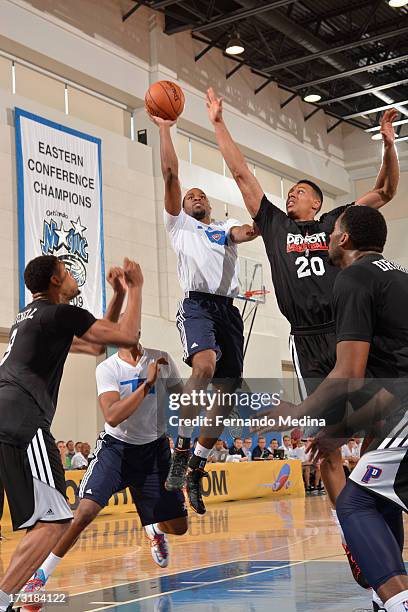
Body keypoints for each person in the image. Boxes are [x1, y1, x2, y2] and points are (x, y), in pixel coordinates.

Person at [207, 86, 399, 586]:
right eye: (288, 191)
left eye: (299, 191)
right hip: (307, 338)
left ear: (318, 201)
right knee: (323, 444)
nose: (291, 194)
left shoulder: (340, 223)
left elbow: (386, 191)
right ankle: (351, 529)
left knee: (379, 431)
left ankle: (380, 537)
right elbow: (243, 174)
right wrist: (219, 124)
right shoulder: (272, 224)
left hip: (349, 332)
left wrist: (389, 142)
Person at [274, 206, 408, 612]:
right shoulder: (400, 276)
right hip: (396, 406)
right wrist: (342, 431)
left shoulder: (353, 277)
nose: (327, 239)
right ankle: (385, 594)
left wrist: (297, 411)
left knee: (354, 502)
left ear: (345, 239)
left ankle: (397, 599)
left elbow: (349, 371)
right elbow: (390, 382)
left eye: (332, 233)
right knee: (378, 498)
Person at [0, 255, 143, 612]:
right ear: (54, 280)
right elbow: (126, 336)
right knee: (54, 522)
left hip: (5, 413)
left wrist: (118, 294)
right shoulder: (60, 313)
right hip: (22, 418)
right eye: (66, 272)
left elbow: (96, 345)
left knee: (47, 522)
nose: (72, 276)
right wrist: (136, 287)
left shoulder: (29, 318)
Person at [147, 111, 259, 515]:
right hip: (196, 304)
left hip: (229, 311)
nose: (195, 196)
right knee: (205, 368)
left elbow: (247, 231)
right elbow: (171, 174)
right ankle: (180, 445)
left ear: (210, 205)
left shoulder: (223, 227)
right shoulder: (178, 226)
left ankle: (195, 464)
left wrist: (264, 222)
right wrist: (164, 128)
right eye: (190, 194)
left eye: (201, 195)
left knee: (227, 396)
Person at [24, 329, 188, 596]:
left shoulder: (162, 359)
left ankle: (154, 527)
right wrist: (147, 384)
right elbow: (112, 416)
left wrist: (186, 442)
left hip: (155, 451)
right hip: (117, 451)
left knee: (179, 528)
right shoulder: (108, 369)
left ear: (137, 330)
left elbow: (184, 401)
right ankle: (40, 574)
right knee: (84, 513)